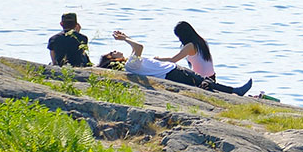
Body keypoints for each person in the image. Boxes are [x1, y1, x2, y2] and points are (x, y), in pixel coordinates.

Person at [106, 31, 254, 94]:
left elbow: (135, 49)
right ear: (113, 60)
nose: (115, 50)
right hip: (171, 73)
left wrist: (127, 37)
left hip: (172, 70)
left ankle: (233, 91)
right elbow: (139, 47)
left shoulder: (131, 63)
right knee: (202, 82)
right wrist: (125, 39)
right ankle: (235, 91)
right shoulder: (130, 65)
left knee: (202, 81)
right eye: (112, 53)